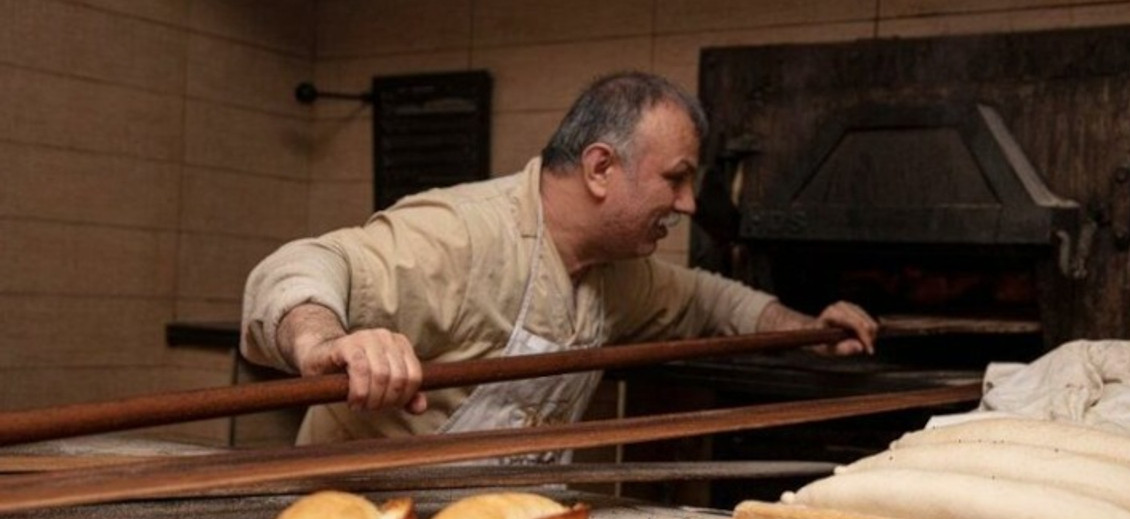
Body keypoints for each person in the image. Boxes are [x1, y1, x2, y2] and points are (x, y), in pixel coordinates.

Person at [240, 71, 877, 456]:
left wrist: (808, 330)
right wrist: (325, 342)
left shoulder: (614, 274)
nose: (686, 204)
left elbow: (709, 301)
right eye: (676, 180)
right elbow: (302, 264)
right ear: (601, 168)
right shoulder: (464, 236)